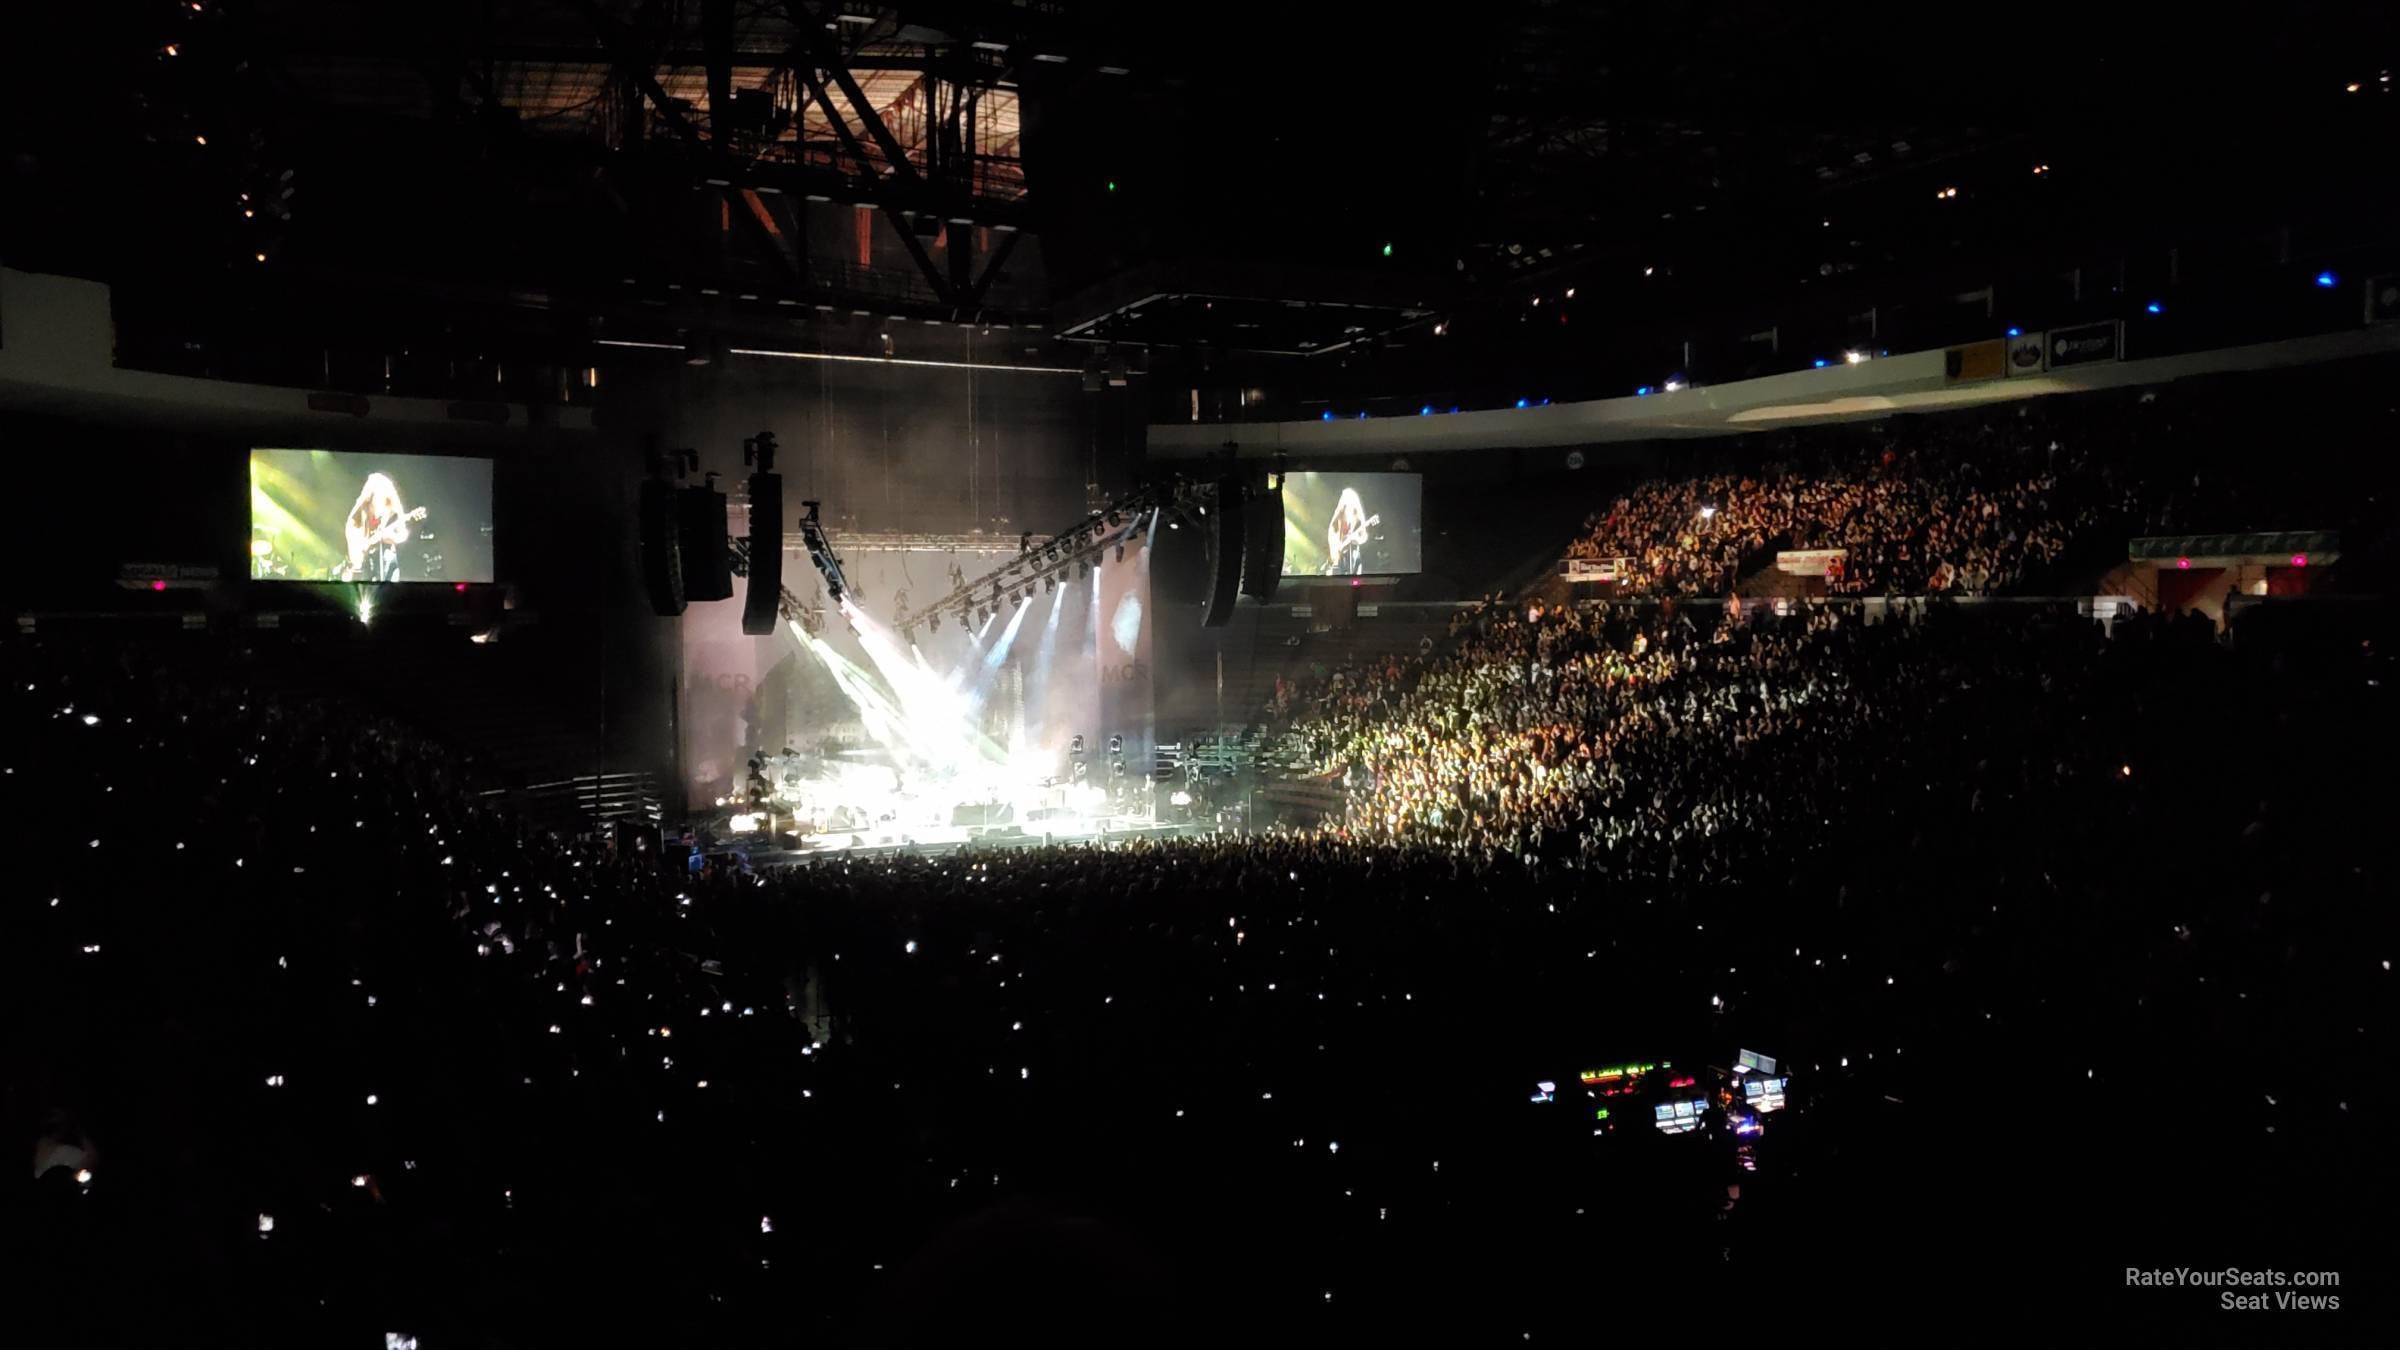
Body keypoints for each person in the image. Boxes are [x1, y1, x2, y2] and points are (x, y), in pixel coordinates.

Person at [342, 472, 423, 582]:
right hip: (364, 565)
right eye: (375, 506)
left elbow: (403, 534)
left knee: (388, 558)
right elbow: (355, 553)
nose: (380, 512)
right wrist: (363, 551)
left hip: (385, 560)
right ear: (368, 503)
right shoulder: (356, 518)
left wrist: (392, 538)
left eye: (384, 507)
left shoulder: (392, 502)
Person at [1323, 487, 1376, 576]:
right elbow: (1331, 531)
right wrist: (1336, 548)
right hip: (1340, 557)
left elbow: (1364, 537)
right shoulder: (1339, 515)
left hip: (1353, 554)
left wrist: (1356, 539)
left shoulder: (1357, 513)